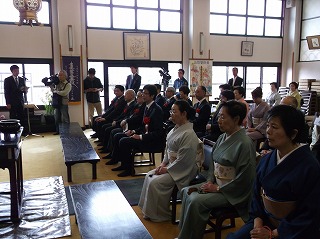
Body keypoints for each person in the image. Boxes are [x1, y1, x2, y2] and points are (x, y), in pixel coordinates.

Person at [227, 105, 320, 239]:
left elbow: (309, 213)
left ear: (293, 134)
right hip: (264, 221)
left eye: (274, 127)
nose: (268, 131)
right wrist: (258, 223)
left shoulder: (310, 166)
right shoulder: (267, 159)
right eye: (268, 125)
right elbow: (256, 195)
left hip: (293, 230)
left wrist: (274, 233)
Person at [177, 101, 256, 239]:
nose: (218, 121)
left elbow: (245, 178)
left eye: (223, 117)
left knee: (196, 201)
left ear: (236, 119)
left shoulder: (245, 143)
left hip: (232, 192)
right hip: (216, 185)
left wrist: (218, 189)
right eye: (218, 116)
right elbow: (214, 165)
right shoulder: (221, 137)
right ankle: (185, 233)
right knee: (185, 191)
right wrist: (209, 182)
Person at [139, 100, 200, 222]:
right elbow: (168, 150)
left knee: (156, 183)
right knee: (149, 176)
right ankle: (149, 211)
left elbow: (184, 160)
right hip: (173, 165)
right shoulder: (175, 129)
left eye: (174, 111)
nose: (171, 113)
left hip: (184, 169)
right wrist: (163, 164)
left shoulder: (189, 134)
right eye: (171, 110)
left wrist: (167, 169)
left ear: (184, 114)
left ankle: (161, 214)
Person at [110, 84, 164, 177]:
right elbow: (143, 126)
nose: (143, 95)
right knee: (119, 136)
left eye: (145, 93)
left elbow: (158, 133)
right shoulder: (147, 107)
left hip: (152, 142)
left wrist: (140, 136)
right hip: (144, 136)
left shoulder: (157, 110)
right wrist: (134, 131)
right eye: (143, 92)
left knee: (124, 141)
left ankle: (129, 169)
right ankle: (124, 164)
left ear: (152, 96)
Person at [4, 65, 28, 135]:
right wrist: (8, 103)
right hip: (12, 102)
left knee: (22, 117)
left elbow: (23, 90)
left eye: (18, 70)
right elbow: (6, 92)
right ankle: (13, 132)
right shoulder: (7, 80)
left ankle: (22, 132)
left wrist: (25, 90)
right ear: (12, 72)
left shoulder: (21, 79)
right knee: (13, 117)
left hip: (20, 101)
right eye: (15, 71)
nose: (17, 72)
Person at [50, 70, 72, 135]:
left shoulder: (68, 84)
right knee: (57, 118)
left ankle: (67, 131)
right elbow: (53, 91)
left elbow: (64, 93)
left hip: (63, 103)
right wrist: (50, 85)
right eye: (58, 75)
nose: (59, 76)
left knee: (65, 118)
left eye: (61, 75)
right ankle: (58, 131)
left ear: (65, 76)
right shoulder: (57, 83)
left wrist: (56, 92)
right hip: (57, 103)